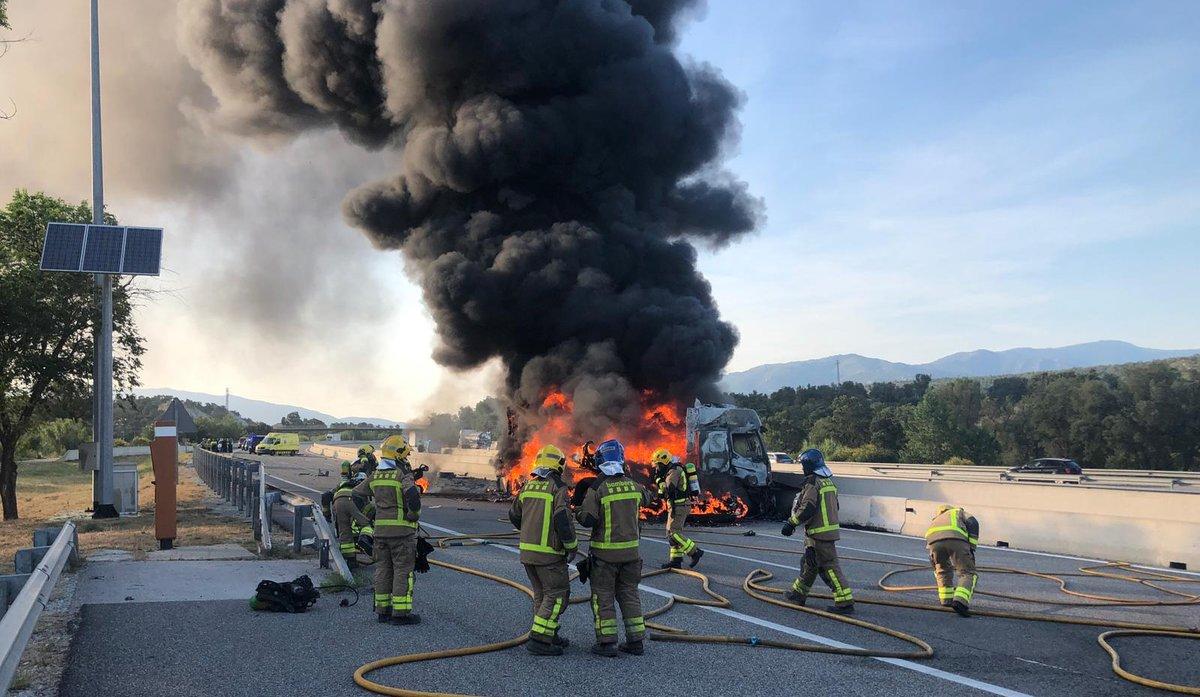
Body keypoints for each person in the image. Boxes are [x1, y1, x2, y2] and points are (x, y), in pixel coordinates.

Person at [576, 439, 650, 657]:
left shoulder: (598, 487)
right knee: (629, 594)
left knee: (603, 596)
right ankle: (636, 642)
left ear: (600, 460)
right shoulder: (634, 486)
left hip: (604, 556)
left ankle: (607, 643)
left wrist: (577, 511)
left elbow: (587, 519)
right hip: (631, 555)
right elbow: (648, 498)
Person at [508, 444, 578, 656]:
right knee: (557, 595)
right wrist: (571, 545)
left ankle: (549, 633)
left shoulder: (528, 486)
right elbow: (562, 519)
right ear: (559, 464)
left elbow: (514, 515)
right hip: (549, 554)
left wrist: (530, 531)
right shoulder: (558, 488)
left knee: (541, 594)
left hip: (527, 553)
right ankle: (539, 639)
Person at [353, 435, 422, 624]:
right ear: (398, 455)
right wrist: (413, 516)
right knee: (402, 570)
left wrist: (369, 514)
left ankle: (383, 611)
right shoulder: (403, 476)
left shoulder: (375, 476)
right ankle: (400, 614)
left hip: (380, 534)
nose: (407, 460)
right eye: (405, 456)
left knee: (383, 569)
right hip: (402, 534)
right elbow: (413, 499)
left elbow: (356, 494)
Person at [781, 449, 854, 614]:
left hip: (819, 533)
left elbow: (808, 507)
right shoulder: (828, 482)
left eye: (803, 465)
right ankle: (798, 594)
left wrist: (791, 524)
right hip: (825, 532)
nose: (802, 468)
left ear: (808, 465)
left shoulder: (813, 483)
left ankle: (845, 602)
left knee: (829, 567)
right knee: (809, 564)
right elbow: (835, 506)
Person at [651, 448, 703, 569]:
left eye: (657, 465)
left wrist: (659, 480)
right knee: (671, 533)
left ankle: (695, 552)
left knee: (674, 533)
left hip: (680, 506)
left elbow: (669, 489)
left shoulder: (674, 471)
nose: (656, 468)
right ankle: (676, 560)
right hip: (676, 506)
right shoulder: (671, 470)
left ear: (663, 463)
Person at [925, 504, 980, 617]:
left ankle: (946, 600)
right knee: (967, 573)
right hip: (956, 539)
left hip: (934, 544)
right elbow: (973, 522)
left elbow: (931, 552)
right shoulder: (957, 512)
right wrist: (972, 547)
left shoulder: (936, 519)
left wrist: (935, 565)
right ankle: (960, 602)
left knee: (942, 570)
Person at [332, 473, 372, 567]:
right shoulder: (361, 486)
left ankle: (351, 560)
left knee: (345, 531)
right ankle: (364, 540)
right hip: (351, 499)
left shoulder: (344, 484)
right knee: (366, 523)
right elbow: (364, 506)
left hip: (337, 501)